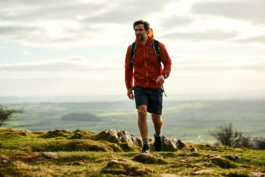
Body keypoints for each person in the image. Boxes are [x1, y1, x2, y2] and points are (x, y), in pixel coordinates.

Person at [124, 20, 172, 153]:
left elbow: (167, 63)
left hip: (155, 86)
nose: (138, 32)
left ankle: (157, 136)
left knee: (157, 119)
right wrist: (129, 86)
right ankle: (145, 145)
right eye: (136, 30)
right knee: (141, 112)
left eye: (140, 29)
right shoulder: (132, 48)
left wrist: (164, 75)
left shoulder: (158, 46)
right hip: (139, 86)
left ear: (147, 30)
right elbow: (128, 69)